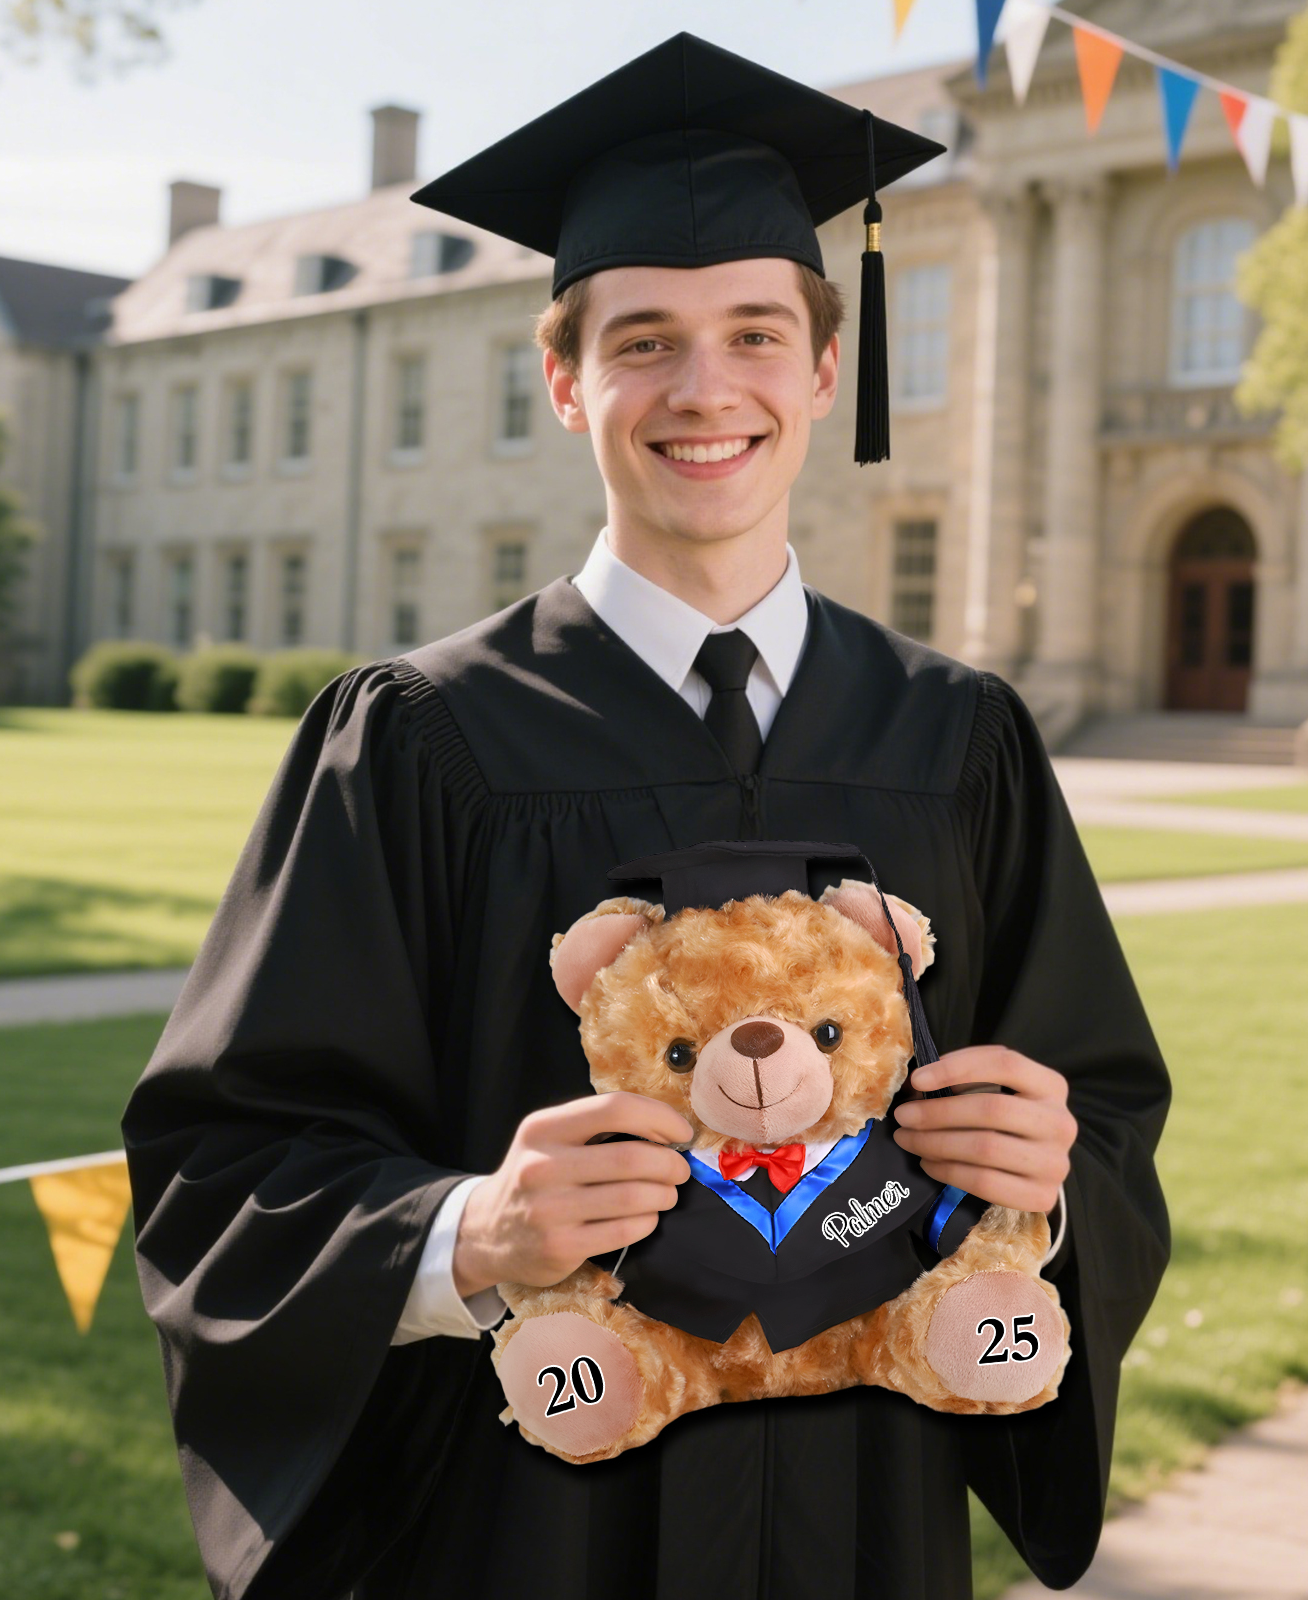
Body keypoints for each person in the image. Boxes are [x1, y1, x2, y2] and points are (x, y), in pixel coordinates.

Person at [121, 32, 1170, 1600]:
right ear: (565, 379)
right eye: (643, 341)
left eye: (755, 333)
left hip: (861, 1526)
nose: (704, 389)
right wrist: (468, 1232)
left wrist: (1052, 1168)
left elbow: (1104, 1116)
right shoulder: (417, 741)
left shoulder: (958, 741)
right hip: (514, 1530)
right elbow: (225, 1166)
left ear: (824, 368)